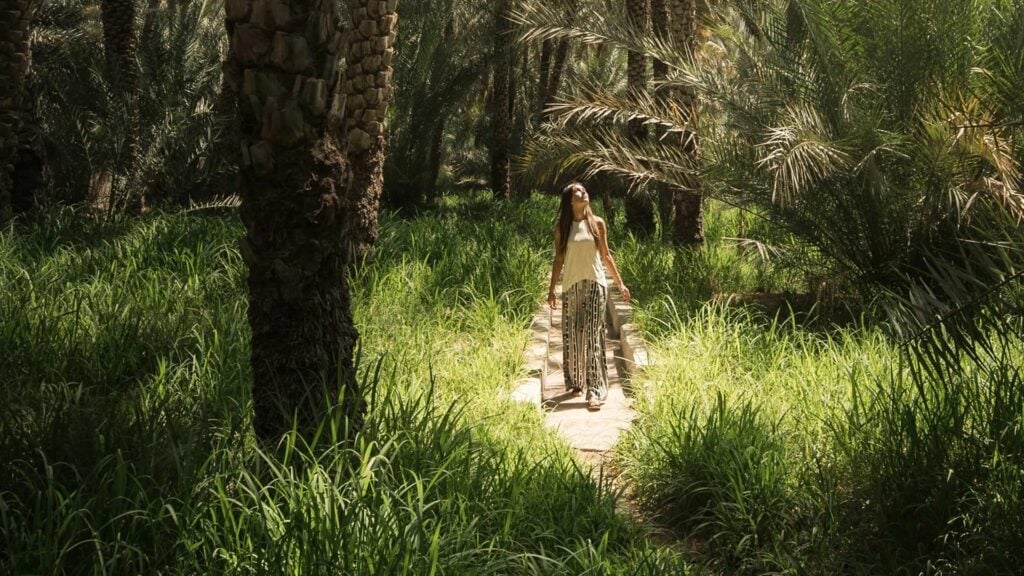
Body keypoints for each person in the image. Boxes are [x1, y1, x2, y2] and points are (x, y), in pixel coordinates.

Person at [547, 182, 631, 411]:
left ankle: (595, 390)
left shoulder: (597, 224)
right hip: (571, 286)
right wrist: (551, 290)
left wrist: (620, 283)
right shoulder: (562, 228)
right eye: (577, 191)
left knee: (594, 335)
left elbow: (606, 255)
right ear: (570, 200)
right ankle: (576, 383)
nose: (583, 192)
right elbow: (559, 260)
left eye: (583, 190)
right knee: (573, 333)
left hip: (596, 284)